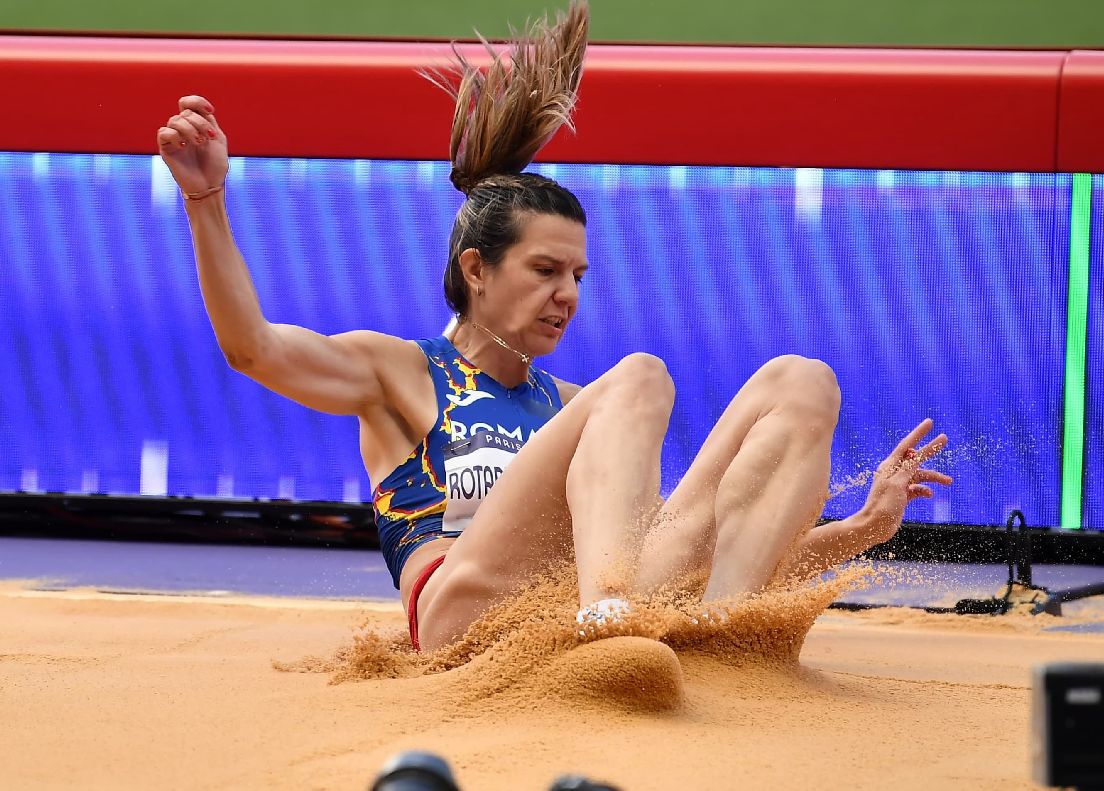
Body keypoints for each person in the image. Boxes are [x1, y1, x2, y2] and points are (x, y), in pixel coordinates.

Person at [156, 1, 950, 654]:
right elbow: (250, 346)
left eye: (577, 277)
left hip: (560, 612)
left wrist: (859, 528)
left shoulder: (575, 408)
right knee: (641, 376)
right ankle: (616, 618)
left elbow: (692, 542)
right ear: (476, 270)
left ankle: (718, 630)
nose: (568, 295)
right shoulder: (398, 372)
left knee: (801, 381)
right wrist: (206, 202)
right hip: (460, 611)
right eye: (545, 271)